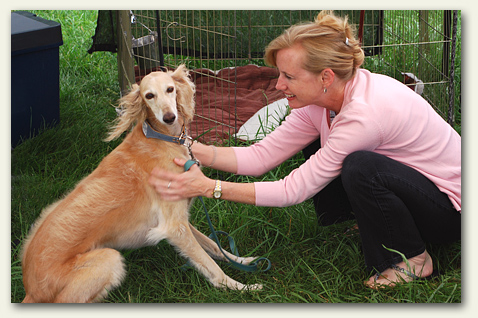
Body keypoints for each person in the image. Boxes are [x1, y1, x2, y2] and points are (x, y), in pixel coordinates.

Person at [148, 10, 461, 289]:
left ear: (325, 76)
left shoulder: (365, 115)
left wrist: (209, 187)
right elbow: (260, 156)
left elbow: (291, 191)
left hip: (454, 210)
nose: (278, 85)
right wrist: (192, 147)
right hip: (418, 187)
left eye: (289, 76)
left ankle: (415, 260)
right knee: (328, 146)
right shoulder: (326, 97)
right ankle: (362, 222)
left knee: (360, 167)